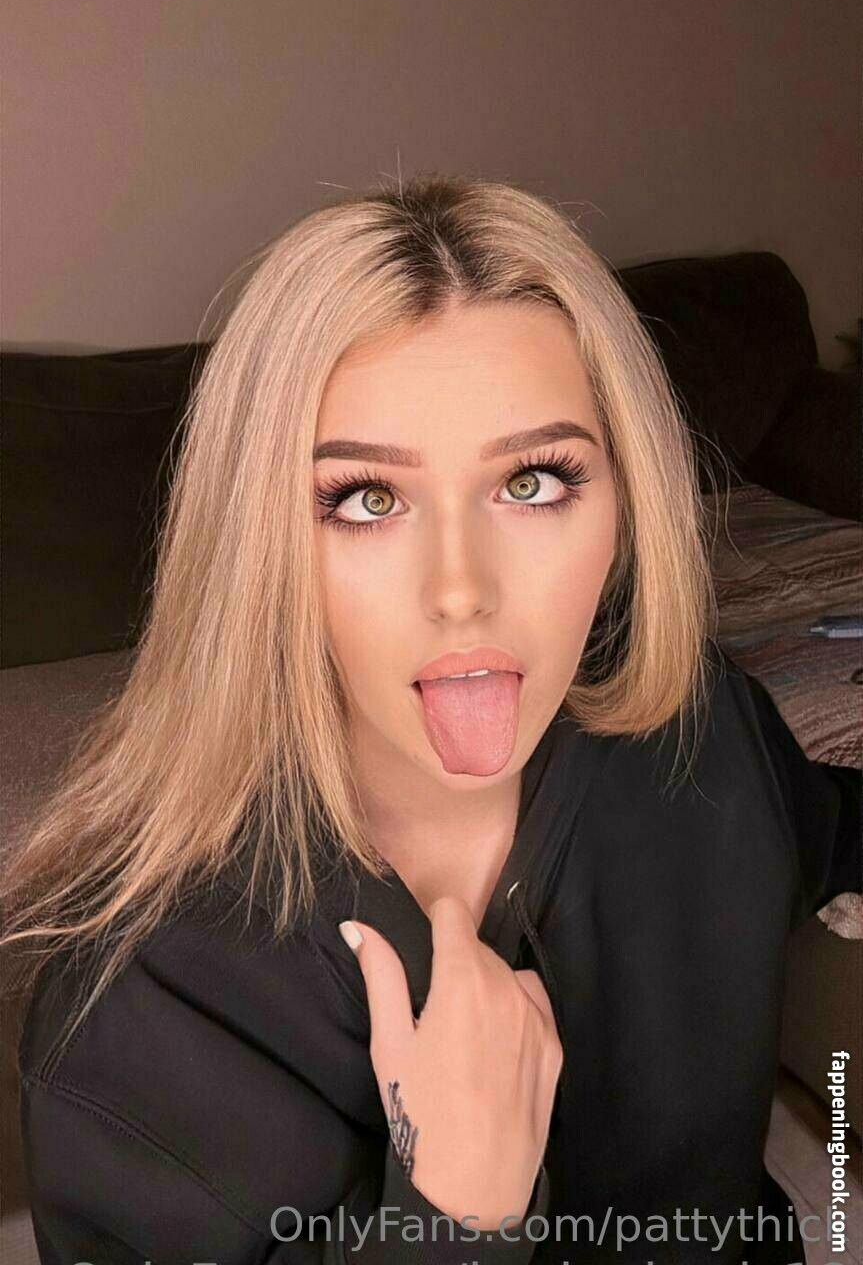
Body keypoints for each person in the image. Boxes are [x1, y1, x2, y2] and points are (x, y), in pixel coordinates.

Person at [3, 171, 860, 1265]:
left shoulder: (702, 737)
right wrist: (449, 1218)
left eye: (532, 482)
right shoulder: (139, 1004)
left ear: (626, 502)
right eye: (367, 499)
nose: (461, 588)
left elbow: (823, 827)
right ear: (260, 546)